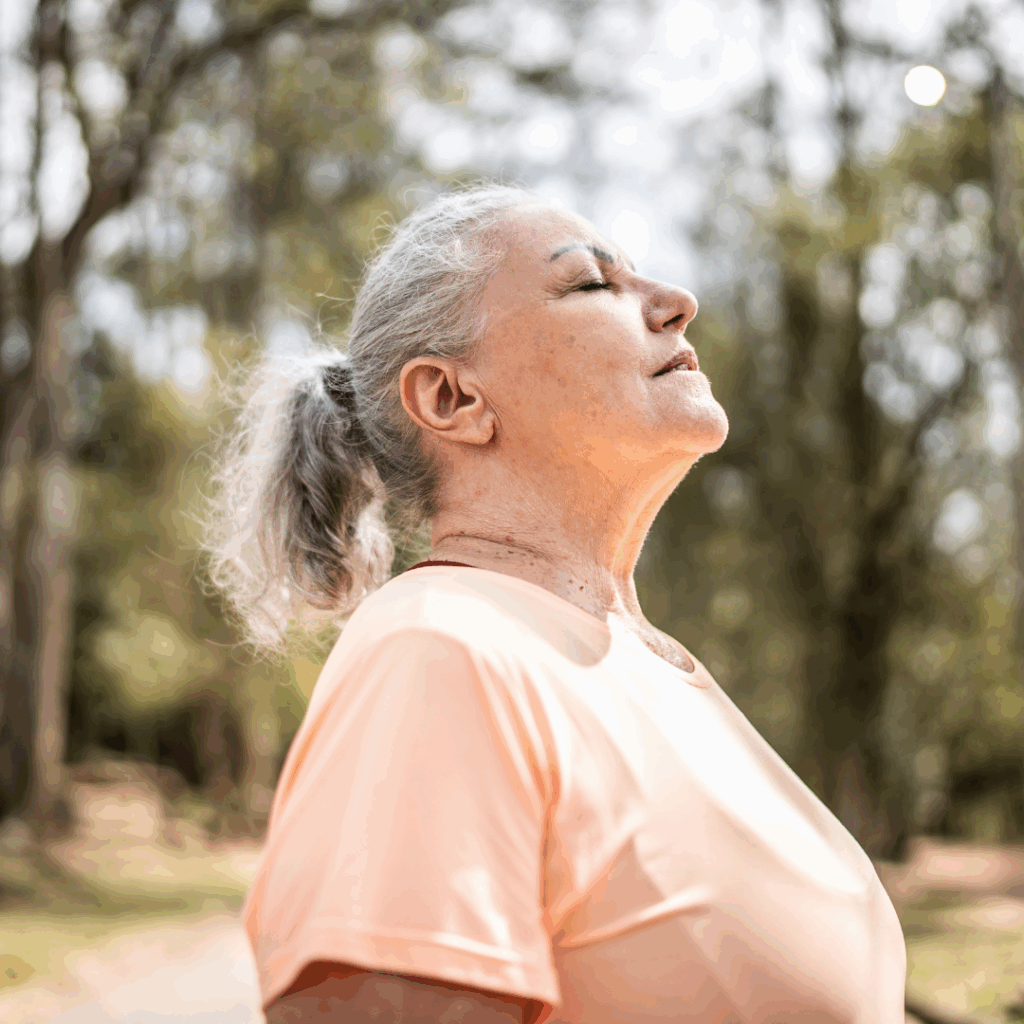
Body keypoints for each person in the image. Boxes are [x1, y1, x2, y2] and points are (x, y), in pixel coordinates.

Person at [202, 183, 907, 1024]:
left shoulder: (646, 664)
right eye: (592, 285)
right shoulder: (442, 651)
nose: (678, 303)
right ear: (451, 400)